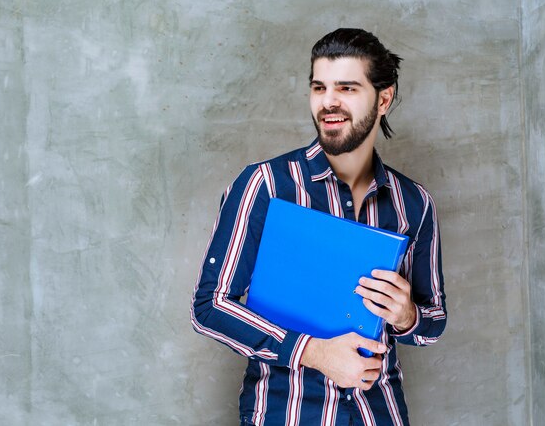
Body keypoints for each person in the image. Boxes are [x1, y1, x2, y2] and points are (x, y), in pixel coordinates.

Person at [190, 28, 447, 426]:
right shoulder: (266, 185)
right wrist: (313, 352)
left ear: (383, 98)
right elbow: (210, 306)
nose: (328, 101)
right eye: (318, 87)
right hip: (286, 414)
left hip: (381, 415)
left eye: (346, 87)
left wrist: (406, 315)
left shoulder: (414, 203)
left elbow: (433, 322)